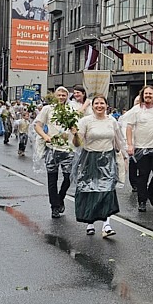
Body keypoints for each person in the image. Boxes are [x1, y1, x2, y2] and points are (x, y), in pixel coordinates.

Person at [72, 94, 125, 238]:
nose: (99, 106)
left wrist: (123, 157)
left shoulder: (112, 121)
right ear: (92, 106)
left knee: (107, 191)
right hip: (90, 159)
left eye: (102, 103)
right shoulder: (85, 121)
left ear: (107, 105)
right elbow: (78, 144)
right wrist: (75, 135)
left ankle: (106, 225)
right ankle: (90, 222)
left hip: (107, 159)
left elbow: (117, 140)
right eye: (96, 103)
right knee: (90, 190)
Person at [124, 85, 153, 213]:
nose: (148, 96)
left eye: (150, 94)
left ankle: (151, 192)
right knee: (143, 176)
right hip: (141, 148)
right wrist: (129, 144)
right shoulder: (137, 109)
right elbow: (129, 127)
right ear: (142, 95)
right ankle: (142, 201)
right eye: (146, 94)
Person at [35, 86, 76, 219]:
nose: (61, 97)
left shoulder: (71, 109)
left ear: (67, 97)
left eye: (64, 95)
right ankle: (54, 207)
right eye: (59, 95)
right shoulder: (48, 109)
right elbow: (37, 125)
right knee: (52, 179)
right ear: (55, 96)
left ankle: (61, 197)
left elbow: (77, 125)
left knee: (68, 177)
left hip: (68, 149)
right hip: (52, 148)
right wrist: (45, 136)